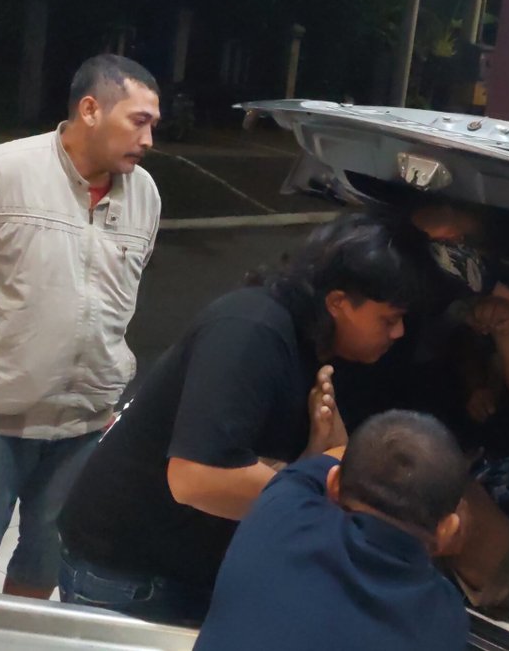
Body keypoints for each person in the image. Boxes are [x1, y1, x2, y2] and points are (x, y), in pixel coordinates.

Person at [56, 213, 430, 625]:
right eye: (388, 319)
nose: (398, 332)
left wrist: (314, 460)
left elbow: (283, 461)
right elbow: (197, 477)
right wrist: (322, 495)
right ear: (338, 302)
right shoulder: (251, 331)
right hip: (130, 571)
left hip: (198, 568)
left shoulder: (321, 345)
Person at [0, 54, 162, 598]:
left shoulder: (145, 196)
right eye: (139, 121)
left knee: (49, 552)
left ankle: (18, 634)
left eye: (153, 125)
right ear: (90, 109)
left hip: (85, 417)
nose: (149, 140)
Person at [193, 410, 469, 651]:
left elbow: (328, 462)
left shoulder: (280, 512)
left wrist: (343, 446)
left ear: (334, 484)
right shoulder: (447, 620)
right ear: (447, 529)